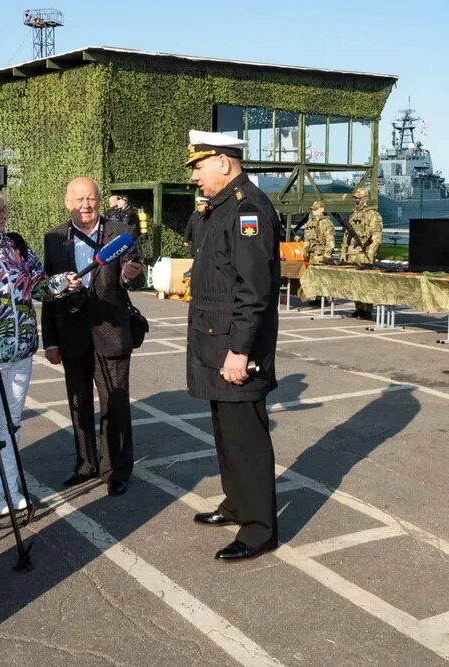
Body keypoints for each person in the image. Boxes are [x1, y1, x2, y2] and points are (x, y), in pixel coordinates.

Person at [185, 129, 280, 561]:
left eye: (200, 165)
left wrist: (240, 350)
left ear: (225, 161)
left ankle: (260, 529)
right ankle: (236, 503)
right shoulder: (218, 209)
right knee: (226, 433)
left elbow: (254, 290)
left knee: (247, 439)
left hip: (233, 347)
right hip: (214, 341)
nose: (195, 176)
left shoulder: (248, 211)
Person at [0, 186, 74, 516]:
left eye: (3, 207)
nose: (1, 214)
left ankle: (10, 485)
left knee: (13, 422)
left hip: (20, 351)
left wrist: (63, 282)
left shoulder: (16, 244)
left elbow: (40, 287)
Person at [42, 177, 144, 496]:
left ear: (99, 200)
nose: (86, 205)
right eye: (79, 199)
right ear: (67, 202)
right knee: (78, 403)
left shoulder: (120, 234)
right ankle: (86, 463)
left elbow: (134, 274)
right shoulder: (54, 238)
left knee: (114, 404)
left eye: (91, 198)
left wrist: (130, 276)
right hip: (71, 334)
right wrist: (51, 341)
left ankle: (116, 469)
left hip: (111, 331)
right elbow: (48, 291)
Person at [340, 186, 383, 317]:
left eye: (358, 199)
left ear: (365, 199)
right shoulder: (353, 215)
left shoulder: (373, 215)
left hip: (364, 253)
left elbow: (376, 236)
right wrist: (344, 251)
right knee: (354, 282)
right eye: (355, 199)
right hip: (353, 252)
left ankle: (367, 309)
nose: (356, 201)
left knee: (365, 283)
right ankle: (358, 307)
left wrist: (370, 253)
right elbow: (347, 235)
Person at [302, 200, 335, 265]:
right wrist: (305, 250)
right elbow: (306, 237)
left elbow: (330, 240)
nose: (313, 211)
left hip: (321, 255)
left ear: (322, 209)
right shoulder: (310, 222)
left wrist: (327, 255)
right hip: (311, 254)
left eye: (316, 209)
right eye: (313, 209)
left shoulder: (325, 222)